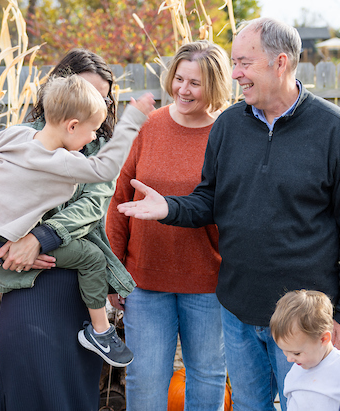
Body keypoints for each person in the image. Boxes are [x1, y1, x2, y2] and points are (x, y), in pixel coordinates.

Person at [117, 18, 340, 411]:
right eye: (234, 63)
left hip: (304, 320)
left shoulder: (335, 131)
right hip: (237, 311)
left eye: (244, 63)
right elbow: (209, 200)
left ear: (279, 63)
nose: (235, 74)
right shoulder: (230, 126)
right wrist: (170, 207)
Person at [0, 49, 130, 410]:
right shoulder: (16, 142)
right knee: (27, 388)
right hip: (23, 283)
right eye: (88, 91)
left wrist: (38, 238)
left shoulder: (97, 153)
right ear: (61, 90)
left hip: (78, 287)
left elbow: (91, 206)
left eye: (104, 96)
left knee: (72, 392)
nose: (97, 101)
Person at [0, 74, 155, 367]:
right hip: (17, 238)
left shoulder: (16, 135)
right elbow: (105, 169)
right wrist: (132, 120)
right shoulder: (60, 161)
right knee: (93, 257)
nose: (94, 137)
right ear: (71, 126)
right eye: (92, 130)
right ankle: (99, 332)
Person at [105, 40, 230, 411]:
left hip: (208, 282)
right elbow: (118, 200)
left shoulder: (227, 132)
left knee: (207, 374)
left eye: (196, 83)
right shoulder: (150, 127)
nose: (184, 90)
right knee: (145, 377)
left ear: (215, 85)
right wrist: (115, 272)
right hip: (145, 281)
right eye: (179, 79)